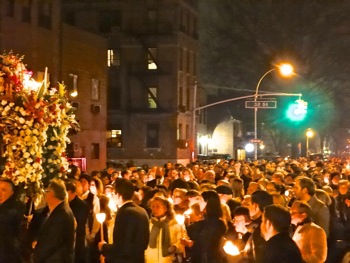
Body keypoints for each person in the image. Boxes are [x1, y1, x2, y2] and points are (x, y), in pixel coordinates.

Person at [98, 178, 150, 263]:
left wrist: (104, 247)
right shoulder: (142, 211)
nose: (112, 196)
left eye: (113, 194)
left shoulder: (124, 213)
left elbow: (122, 247)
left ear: (118, 195)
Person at [32, 179, 75, 263]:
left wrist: (37, 254)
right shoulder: (59, 210)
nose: (45, 193)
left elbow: (52, 242)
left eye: (47, 191)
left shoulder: (61, 214)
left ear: (52, 193)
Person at [145, 196, 188, 263]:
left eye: (158, 207)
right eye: (153, 207)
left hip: (168, 259)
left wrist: (175, 247)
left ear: (165, 208)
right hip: (150, 259)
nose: (155, 209)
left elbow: (182, 240)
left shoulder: (175, 223)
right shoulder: (149, 224)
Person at [188, 190, 227, 263]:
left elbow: (205, 244)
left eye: (202, 200)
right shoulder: (207, 221)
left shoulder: (215, 223)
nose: (199, 203)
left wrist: (191, 244)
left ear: (209, 203)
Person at [0, 178, 24, 263]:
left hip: (7, 253)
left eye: (3, 190)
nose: (0, 193)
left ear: (12, 193)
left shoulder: (16, 207)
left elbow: (5, 218)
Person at [65, 179, 90, 263]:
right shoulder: (67, 203)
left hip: (78, 238)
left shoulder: (81, 205)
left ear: (70, 192)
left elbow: (79, 222)